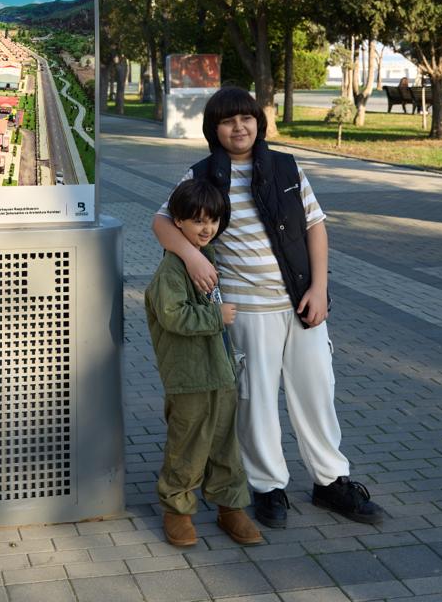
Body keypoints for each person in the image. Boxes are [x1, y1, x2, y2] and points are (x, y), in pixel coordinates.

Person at [152, 85, 383, 530]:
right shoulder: (201, 175)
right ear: (214, 129)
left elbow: (316, 227)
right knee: (255, 400)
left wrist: (319, 288)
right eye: (227, 121)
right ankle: (268, 486)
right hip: (247, 310)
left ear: (258, 123)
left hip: (300, 303)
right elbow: (162, 220)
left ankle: (330, 481)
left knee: (317, 391)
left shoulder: (286, 167)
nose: (239, 127)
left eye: (246, 118)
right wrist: (192, 256)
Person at [145, 178, 263, 548]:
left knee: (225, 444)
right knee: (188, 445)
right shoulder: (172, 270)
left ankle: (231, 506)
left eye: (212, 220)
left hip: (219, 373)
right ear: (178, 222)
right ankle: (177, 508)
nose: (206, 227)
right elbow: (171, 315)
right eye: (197, 220)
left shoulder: (207, 257)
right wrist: (216, 317)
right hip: (188, 377)